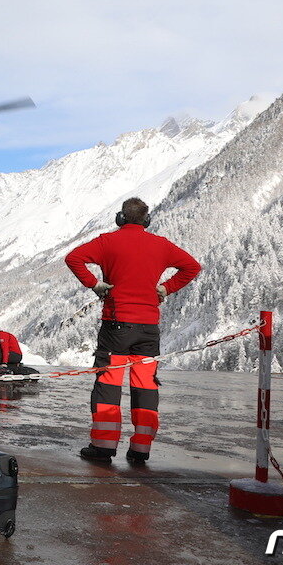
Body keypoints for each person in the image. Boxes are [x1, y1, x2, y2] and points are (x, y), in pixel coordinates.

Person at [64, 197, 201, 465]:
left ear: (121, 218)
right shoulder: (161, 245)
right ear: (146, 220)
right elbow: (192, 267)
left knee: (108, 384)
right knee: (146, 386)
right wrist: (166, 288)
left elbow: (74, 258)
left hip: (116, 327)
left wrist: (95, 284)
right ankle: (141, 448)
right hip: (149, 329)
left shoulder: (107, 241)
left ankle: (103, 447)